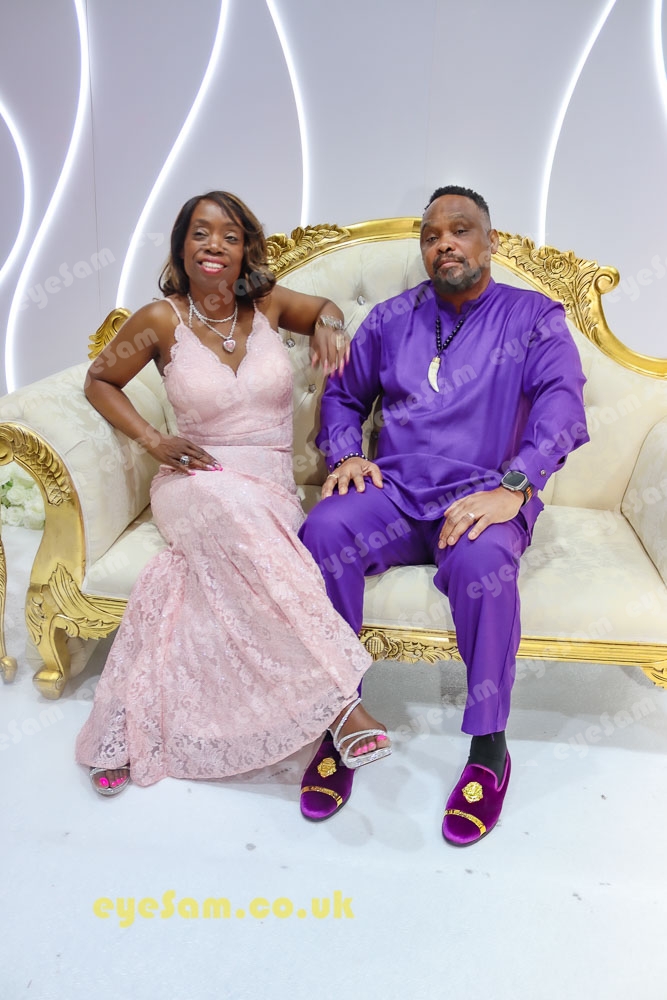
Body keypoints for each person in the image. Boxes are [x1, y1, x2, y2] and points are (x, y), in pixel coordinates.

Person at [297, 185, 588, 843]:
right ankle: (338, 719)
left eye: (460, 230)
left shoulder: (533, 317)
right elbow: (342, 396)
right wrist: (345, 452)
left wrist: (516, 486)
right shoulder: (390, 320)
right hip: (397, 493)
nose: (444, 244)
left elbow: (562, 405)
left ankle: (488, 747)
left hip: (482, 496)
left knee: (485, 564)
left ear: (491, 242)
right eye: (431, 236)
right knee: (324, 527)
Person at [75, 190, 391, 795]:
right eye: (200, 233)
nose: (213, 245)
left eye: (229, 235)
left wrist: (329, 322)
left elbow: (324, 308)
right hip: (193, 480)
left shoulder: (270, 305)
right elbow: (99, 380)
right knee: (225, 503)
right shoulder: (159, 320)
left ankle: (130, 719)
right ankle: (342, 705)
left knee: (199, 562)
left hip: (267, 488)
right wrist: (152, 439)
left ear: (246, 249)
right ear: (181, 247)